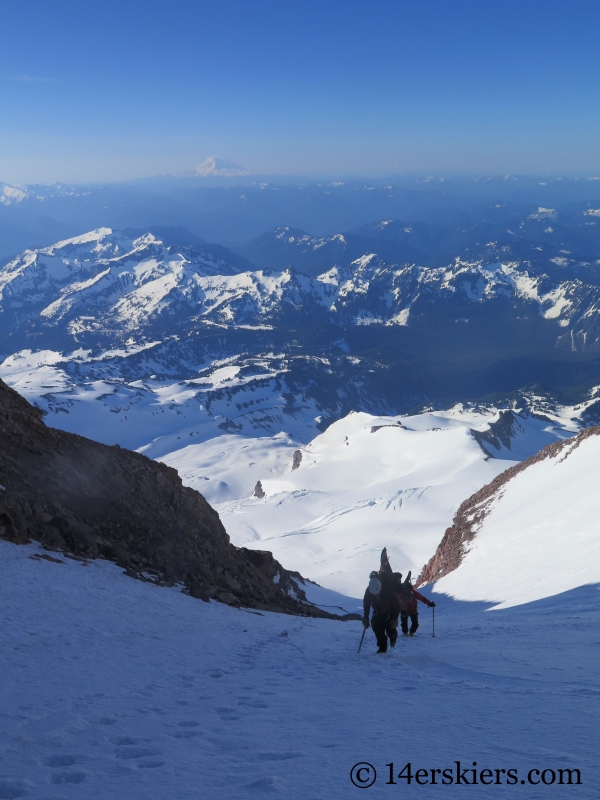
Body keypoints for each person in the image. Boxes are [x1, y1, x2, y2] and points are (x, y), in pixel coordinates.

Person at [362, 548, 401, 653]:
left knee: (390, 632)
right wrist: (365, 616)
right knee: (378, 631)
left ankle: (393, 637)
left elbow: (397, 605)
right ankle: (382, 649)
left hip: (388, 615)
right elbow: (366, 602)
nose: (375, 595)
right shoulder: (370, 589)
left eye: (377, 593)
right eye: (373, 594)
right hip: (378, 614)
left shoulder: (389, 590)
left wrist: (394, 618)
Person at [395, 571, 436, 636]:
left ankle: (405, 633)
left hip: (404, 610)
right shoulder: (414, 593)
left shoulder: (402, 593)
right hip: (413, 609)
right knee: (415, 624)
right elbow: (423, 599)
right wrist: (430, 604)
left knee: (404, 623)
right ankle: (412, 633)